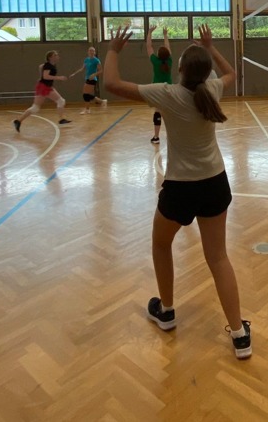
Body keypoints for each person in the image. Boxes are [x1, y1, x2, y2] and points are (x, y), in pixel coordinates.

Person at [103, 23, 252, 359]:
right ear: (205, 71)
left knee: (161, 244)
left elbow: (111, 84)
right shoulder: (213, 88)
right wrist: (212, 47)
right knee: (218, 258)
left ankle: (167, 311)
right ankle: (240, 335)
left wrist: (113, 50)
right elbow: (232, 73)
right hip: (214, 182)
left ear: (180, 69)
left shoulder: (167, 94)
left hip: (180, 188)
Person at [13, 50, 71, 131]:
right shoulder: (48, 66)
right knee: (37, 107)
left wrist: (41, 76)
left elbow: (41, 66)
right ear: (50, 57)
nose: (58, 56)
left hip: (47, 86)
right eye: (55, 55)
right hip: (43, 87)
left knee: (59, 101)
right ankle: (18, 121)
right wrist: (59, 77)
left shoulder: (50, 65)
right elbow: (46, 76)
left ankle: (62, 119)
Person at [146, 25, 172, 144]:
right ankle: (172, 135)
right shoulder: (169, 61)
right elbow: (167, 46)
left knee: (158, 112)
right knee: (169, 113)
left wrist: (149, 32)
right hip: (169, 89)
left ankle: (156, 137)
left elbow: (149, 46)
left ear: (158, 54)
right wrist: (165, 35)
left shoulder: (155, 61)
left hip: (157, 90)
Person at [70, 46, 105, 114]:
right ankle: (101, 102)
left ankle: (88, 109)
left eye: (93, 51)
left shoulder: (96, 60)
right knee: (86, 94)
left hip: (92, 79)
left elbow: (101, 70)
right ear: (88, 52)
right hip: (87, 78)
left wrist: (94, 74)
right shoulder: (86, 60)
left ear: (94, 52)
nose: (91, 52)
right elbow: (82, 68)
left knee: (85, 94)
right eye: (90, 50)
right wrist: (74, 73)